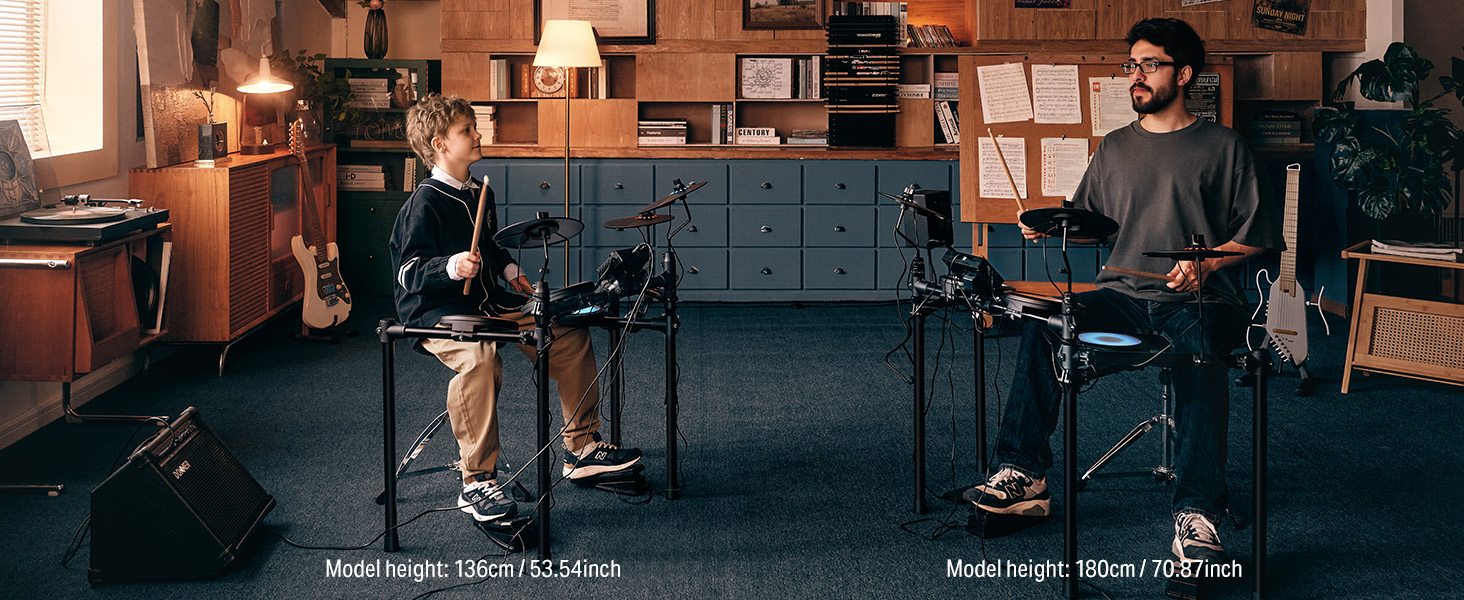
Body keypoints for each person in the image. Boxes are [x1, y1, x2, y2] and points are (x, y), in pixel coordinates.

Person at [972, 18, 1282, 565]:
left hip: (1202, 303)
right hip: (1123, 296)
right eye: (1132, 65)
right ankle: (1023, 472)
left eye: (1150, 64)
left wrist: (1210, 263)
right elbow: (1091, 224)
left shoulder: (1225, 146)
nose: (1136, 75)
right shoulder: (1114, 147)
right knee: (1048, 325)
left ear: (1183, 74)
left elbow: (1257, 236)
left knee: (1199, 351)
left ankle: (1198, 512)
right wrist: (1048, 226)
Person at [390, 94, 640, 524]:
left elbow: (488, 245)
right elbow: (407, 272)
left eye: (474, 127)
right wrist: (450, 266)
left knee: (569, 333)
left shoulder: (479, 191)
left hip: (488, 301)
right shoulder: (423, 202)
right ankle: (476, 481)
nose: (477, 135)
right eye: (466, 130)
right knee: (480, 359)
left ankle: (580, 449)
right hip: (438, 312)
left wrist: (509, 270)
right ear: (439, 145)